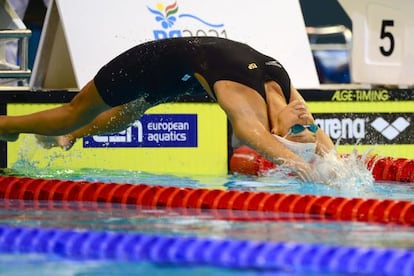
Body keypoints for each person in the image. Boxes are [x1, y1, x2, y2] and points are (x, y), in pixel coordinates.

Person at [0, 36, 335, 181]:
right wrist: (319, 161)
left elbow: (252, 130)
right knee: (75, 111)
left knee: (123, 119)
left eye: (297, 130)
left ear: (276, 129)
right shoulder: (287, 97)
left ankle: (69, 135)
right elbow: (263, 134)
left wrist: (304, 160)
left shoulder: (250, 103)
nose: (306, 121)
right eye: (305, 127)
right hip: (153, 61)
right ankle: (10, 125)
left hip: (179, 73)